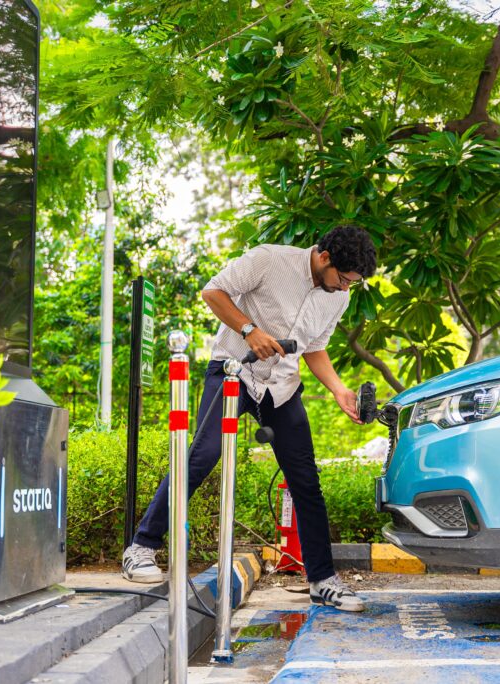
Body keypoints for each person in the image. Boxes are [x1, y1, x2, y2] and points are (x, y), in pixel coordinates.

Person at [122, 225, 378, 612]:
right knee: (202, 455)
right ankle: (141, 547)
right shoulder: (269, 259)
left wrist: (339, 390)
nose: (345, 289)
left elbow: (316, 349)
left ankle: (322, 581)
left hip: (282, 387)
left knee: (306, 480)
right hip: (233, 371)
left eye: (351, 284)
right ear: (324, 257)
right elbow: (212, 291)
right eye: (343, 279)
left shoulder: (337, 299)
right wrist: (248, 330)